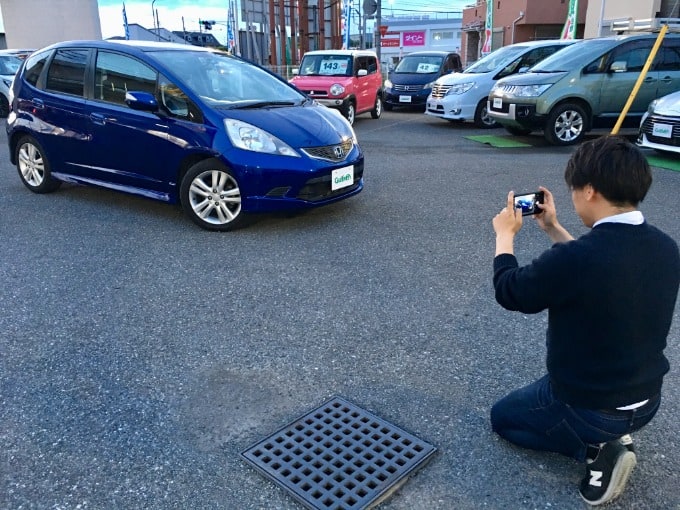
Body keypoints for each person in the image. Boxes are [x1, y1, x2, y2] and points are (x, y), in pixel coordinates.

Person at [490, 135, 680, 506]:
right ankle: (614, 434)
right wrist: (552, 228)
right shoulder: (665, 246)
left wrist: (504, 237)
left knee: (503, 418)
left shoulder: (576, 261)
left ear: (590, 190)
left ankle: (596, 453)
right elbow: (599, 266)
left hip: (588, 406)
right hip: (647, 400)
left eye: (575, 190)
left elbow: (510, 291)